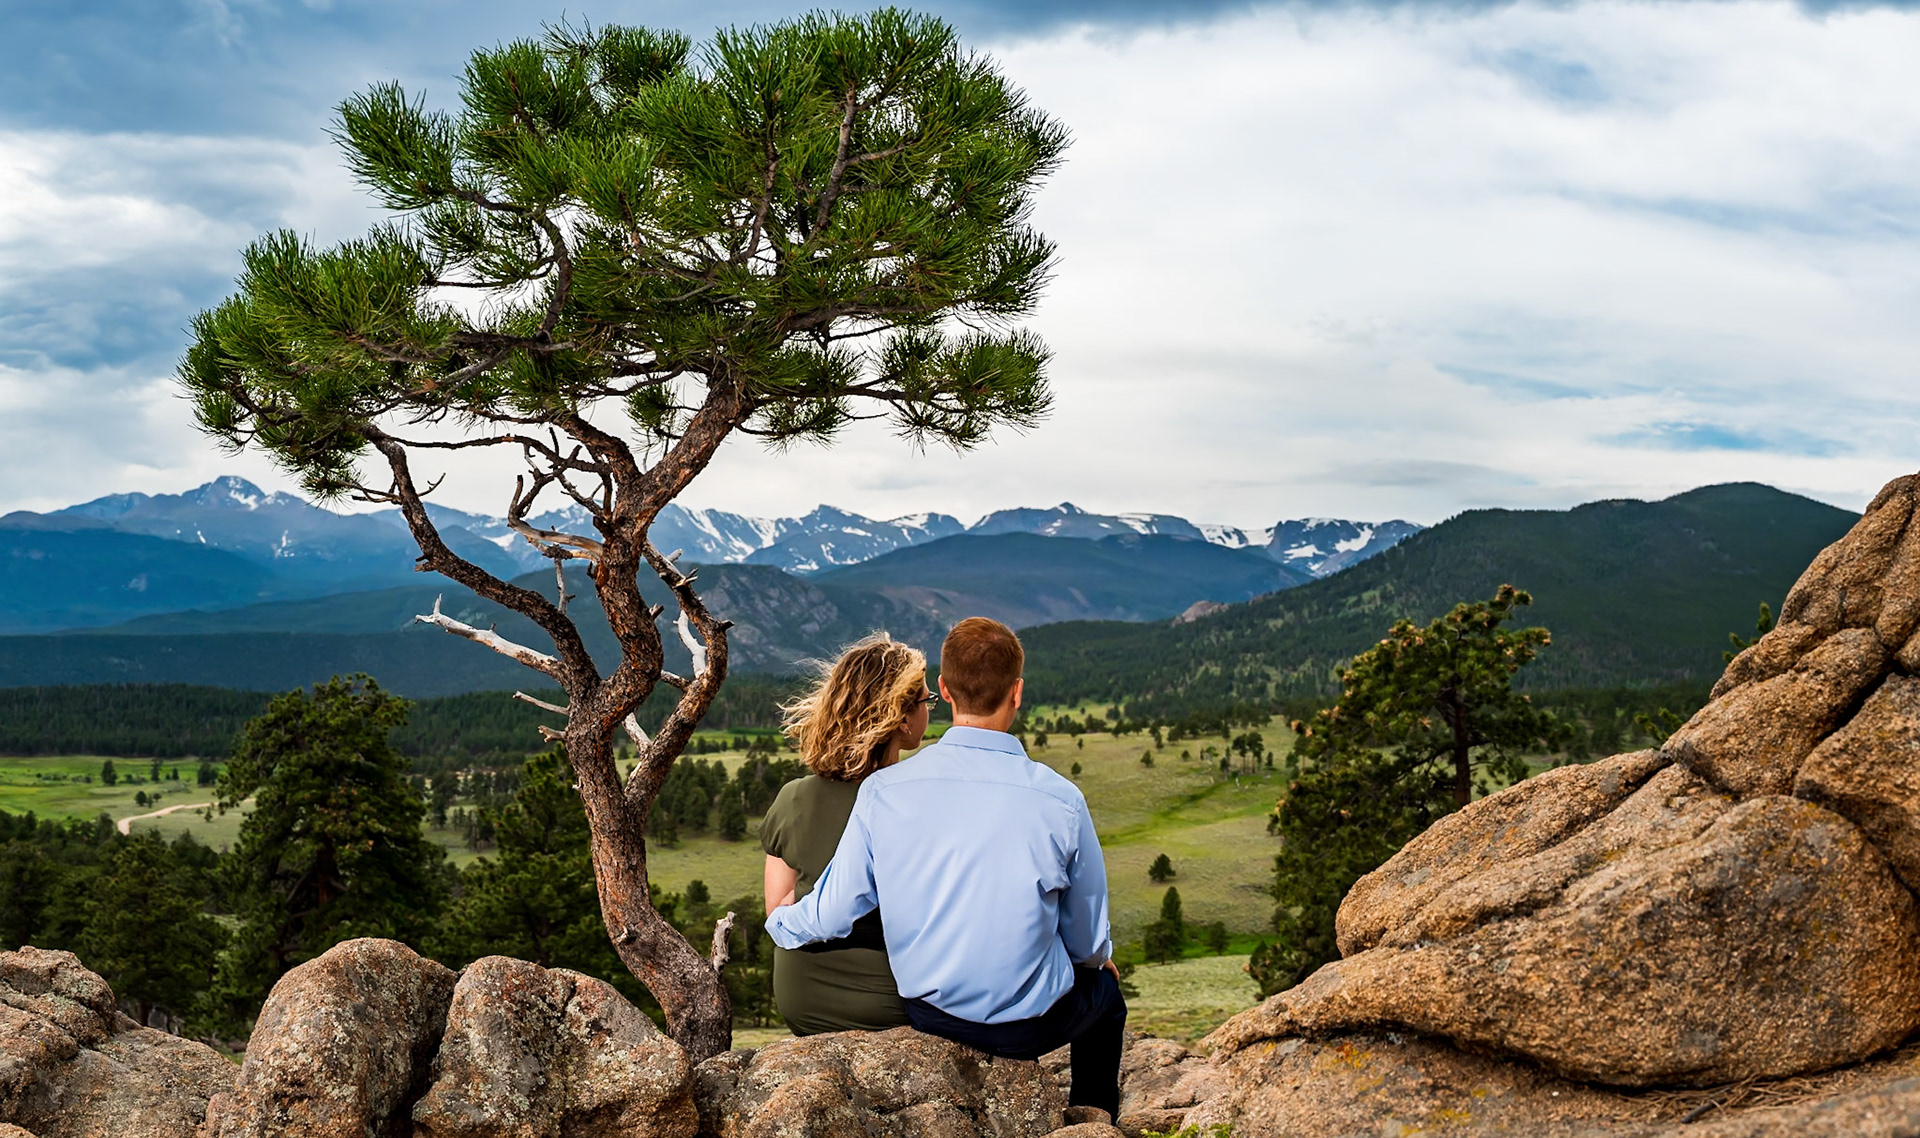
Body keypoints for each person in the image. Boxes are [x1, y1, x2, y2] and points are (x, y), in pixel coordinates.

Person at [767, 617, 1125, 1120]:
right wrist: (1095, 961)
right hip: (1029, 1026)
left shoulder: (883, 793)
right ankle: (1092, 1119)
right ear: (1017, 692)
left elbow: (834, 910)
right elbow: (1086, 939)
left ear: (944, 689)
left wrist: (779, 922)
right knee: (1106, 998)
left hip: (929, 1015)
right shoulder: (1061, 800)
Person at [759, 632, 935, 1035]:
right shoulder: (921, 800)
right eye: (927, 700)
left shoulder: (793, 798)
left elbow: (778, 910)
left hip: (803, 999)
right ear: (902, 720)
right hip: (895, 1000)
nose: (931, 709)